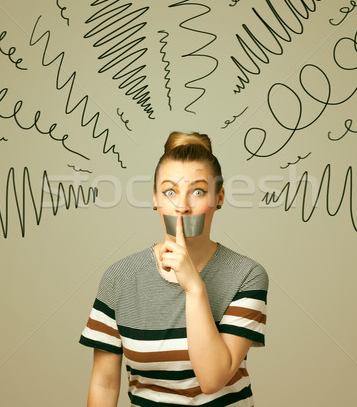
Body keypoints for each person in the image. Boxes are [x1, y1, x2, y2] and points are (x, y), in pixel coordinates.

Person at [80, 131, 268, 406]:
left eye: (199, 191)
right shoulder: (119, 279)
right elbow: (104, 383)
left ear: (219, 198)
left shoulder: (247, 275)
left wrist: (194, 287)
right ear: (155, 199)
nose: (182, 206)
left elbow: (212, 379)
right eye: (170, 192)